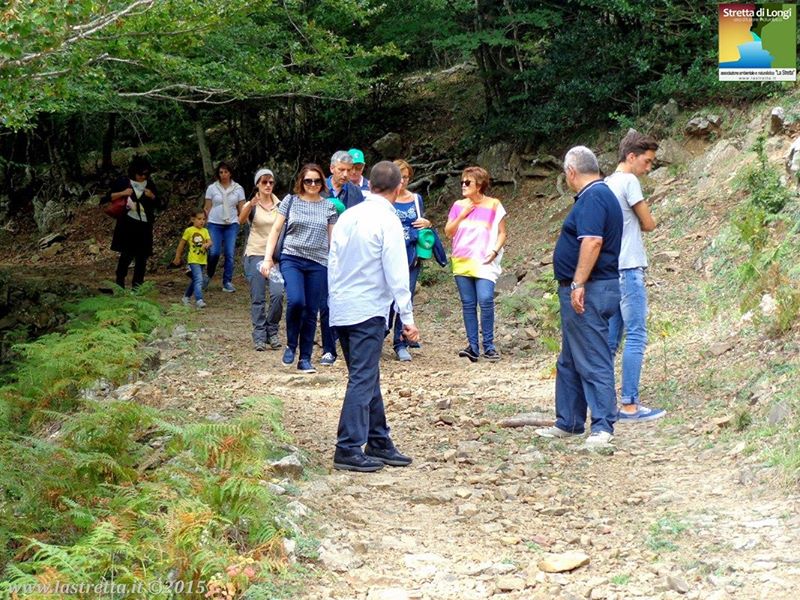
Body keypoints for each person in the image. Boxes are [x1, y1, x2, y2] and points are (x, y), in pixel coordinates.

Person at [328, 161, 419, 472]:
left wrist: (333, 302)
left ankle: (378, 440)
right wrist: (407, 317)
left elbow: (333, 261)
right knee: (362, 377)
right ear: (398, 187)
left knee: (367, 375)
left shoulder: (348, 216)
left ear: (369, 183)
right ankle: (348, 447)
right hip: (367, 308)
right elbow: (397, 272)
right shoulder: (387, 220)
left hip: (342, 307)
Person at [535, 146, 623, 449]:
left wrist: (578, 283)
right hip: (591, 287)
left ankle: (602, 426)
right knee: (571, 358)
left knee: (593, 356)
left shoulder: (594, 196)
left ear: (571, 172)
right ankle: (569, 421)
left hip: (591, 289)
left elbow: (593, 241)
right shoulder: (598, 194)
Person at [606, 131, 665, 421]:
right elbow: (649, 223)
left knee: (610, 340)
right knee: (636, 335)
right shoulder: (629, 181)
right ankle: (629, 403)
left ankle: (603, 402)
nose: (649, 167)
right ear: (631, 157)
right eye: (647, 161)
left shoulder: (606, 183)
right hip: (629, 268)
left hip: (609, 270)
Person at [260, 164, 337, 374]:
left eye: (317, 181)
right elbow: (276, 230)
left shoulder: (329, 207)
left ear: (322, 183)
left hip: (318, 262)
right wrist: (268, 258)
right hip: (292, 258)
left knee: (312, 310)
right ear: (301, 182)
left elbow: (333, 240)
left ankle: (305, 358)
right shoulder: (290, 201)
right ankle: (291, 344)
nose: (313, 184)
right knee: (296, 301)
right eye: (308, 180)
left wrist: (336, 265)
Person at [444, 166, 507, 362]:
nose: (463, 185)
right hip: (461, 260)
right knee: (468, 303)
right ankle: (472, 346)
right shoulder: (458, 205)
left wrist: (495, 251)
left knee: (486, 299)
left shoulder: (494, 205)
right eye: (462, 182)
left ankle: (489, 346)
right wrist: (462, 214)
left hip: (484, 261)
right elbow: (448, 232)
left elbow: (502, 233)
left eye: (467, 182)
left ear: (479, 185)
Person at [318, 151, 366, 367]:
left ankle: (349, 344)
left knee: (346, 298)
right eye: (341, 170)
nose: (346, 174)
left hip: (348, 254)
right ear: (332, 169)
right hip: (321, 252)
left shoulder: (355, 193)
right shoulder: (318, 188)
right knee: (325, 303)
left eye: (349, 170)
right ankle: (328, 349)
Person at [389, 159, 432, 362]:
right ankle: (380, 333)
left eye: (406, 177)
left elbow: (422, 222)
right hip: (389, 255)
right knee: (387, 298)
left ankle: (401, 342)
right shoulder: (385, 200)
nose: (403, 181)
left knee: (406, 298)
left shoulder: (416, 199)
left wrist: (427, 223)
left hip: (411, 255)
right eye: (399, 177)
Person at [240, 168, 284, 351]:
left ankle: (272, 330)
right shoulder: (252, 205)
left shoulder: (281, 205)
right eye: (264, 182)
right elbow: (241, 221)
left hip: (274, 257)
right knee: (258, 297)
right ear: (257, 184)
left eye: (271, 182)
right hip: (255, 254)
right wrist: (249, 205)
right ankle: (259, 335)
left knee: (277, 294)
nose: (268, 185)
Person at [104, 155, 161, 289]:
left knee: (142, 256)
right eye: (140, 174)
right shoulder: (123, 182)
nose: (143, 177)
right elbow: (108, 197)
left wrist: (152, 196)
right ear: (134, 172)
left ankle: (137, 286)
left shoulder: (150, 184)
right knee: (126, 254)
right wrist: (123, 193)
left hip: (144, 224)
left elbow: (159, 203)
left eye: (146, 174)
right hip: (127, 223)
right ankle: (119, 283)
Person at [204, 161, 245, 293]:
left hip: (231, 224)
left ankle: (227, 281)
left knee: (229, 253)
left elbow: (242, 208)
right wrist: (204, 223)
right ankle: (208, 275)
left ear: (230, 173)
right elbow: (207, 207)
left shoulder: (238, 189)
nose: (223, 174)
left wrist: (240, 221)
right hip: (214, 223)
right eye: (221, 172)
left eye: (226, 172)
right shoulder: (212, 188)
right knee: (214, 252)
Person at [172, 210, 212, 308]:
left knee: (195, 279)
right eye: (199, 219)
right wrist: (177, 257)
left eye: (204, 219)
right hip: (193, 260)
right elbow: (181, 244)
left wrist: (207, 244)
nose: (202, 221)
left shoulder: (205, 231)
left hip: (202, 260)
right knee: (199, 279)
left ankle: (186, 297)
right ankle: (199, 300)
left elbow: (210, 241)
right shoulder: (189, 230)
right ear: (193, 219)